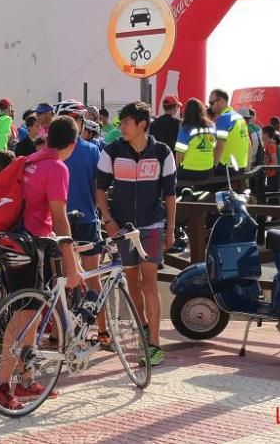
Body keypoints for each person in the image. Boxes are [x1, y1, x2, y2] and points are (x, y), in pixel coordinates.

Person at [0, 116, 84, 410]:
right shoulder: (56, 167)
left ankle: (26, 378)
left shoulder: (29, 159)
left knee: (30, 315)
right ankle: (2, 385)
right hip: (34, 248)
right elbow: (59, 218)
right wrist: (72, 266)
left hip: (16, 243)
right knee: (22, 319)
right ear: (73, 143)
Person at [96, 102, 176, 368]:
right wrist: (108, 220)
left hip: (151, 227)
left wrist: (171, 230)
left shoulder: (163, 152)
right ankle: (142, 328)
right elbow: (100, 189)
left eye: (126, 123)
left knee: (149, 282)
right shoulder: (112, 150)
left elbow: (170, 195)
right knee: (133, 282)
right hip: (122, 229)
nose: (120, 128)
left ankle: (154, 344)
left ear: (141, 125)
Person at [58, 103, 108, 347]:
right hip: (87, 221)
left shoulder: (54, 152)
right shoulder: (92, 150)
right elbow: (100, 188)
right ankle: (103, 331)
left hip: (61, 224)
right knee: (93, 279)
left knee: (61, 281)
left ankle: (61, 334)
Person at [175, 98, 216, 183]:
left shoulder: (185, 128)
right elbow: (214, 147)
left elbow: (179, 155)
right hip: (208, 170)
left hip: (189, 172)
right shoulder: (212, 126)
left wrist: (177, 168)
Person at [208, 90, 249, 173]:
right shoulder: (240, 117)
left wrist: (213, 168)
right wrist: (247, 167)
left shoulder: (223, 118)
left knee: (200, 181)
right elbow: (249, 144)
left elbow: (219, 146)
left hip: (227, 167)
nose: (210, 106)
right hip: (241, 166)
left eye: (212, 103)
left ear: (222, 102)